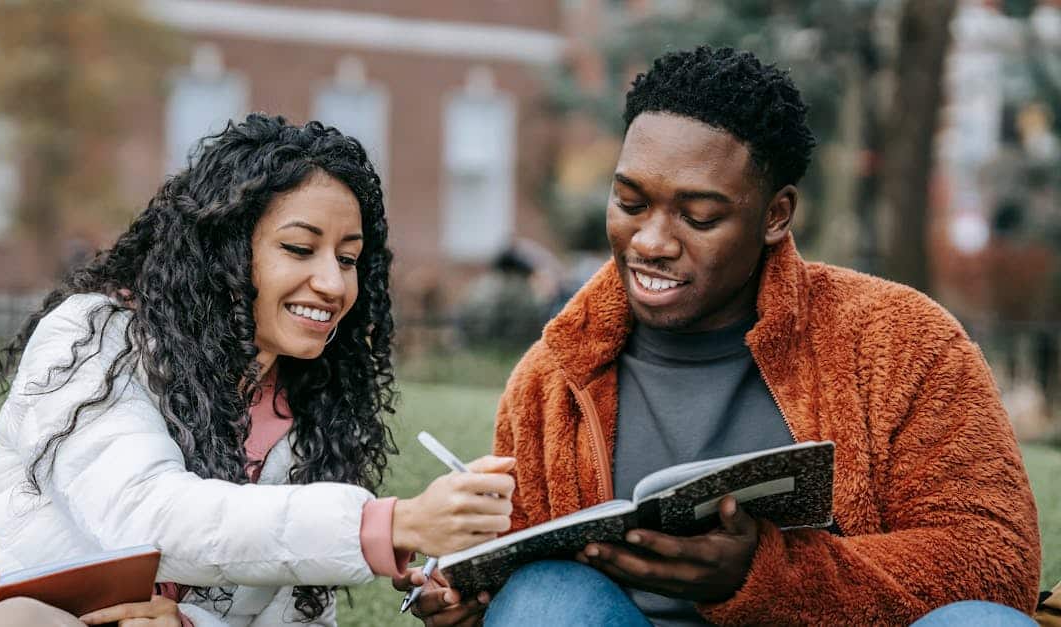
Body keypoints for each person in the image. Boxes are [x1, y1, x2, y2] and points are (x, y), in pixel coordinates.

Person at [395, 46, 1042, 626]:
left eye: (699, 216)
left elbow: (994, 564)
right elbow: (516, 577)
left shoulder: (900, 342)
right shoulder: (553, 376)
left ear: (775, 214)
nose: (650, 241)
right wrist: (468, 602)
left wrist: (767, 576)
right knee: (542, 598)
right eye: (629, 202)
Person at [0, 114, 515, 626]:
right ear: (225, 248)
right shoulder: (97, 336)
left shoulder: (312, 413)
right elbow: (146, 515)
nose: (332, 281)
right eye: (299, 247)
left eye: (349, 258)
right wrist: (387, 523)